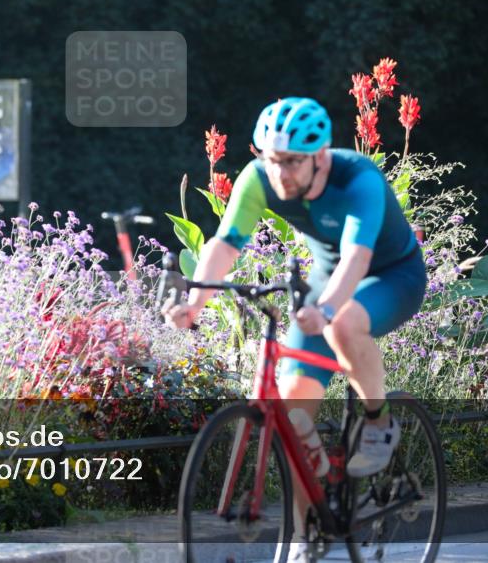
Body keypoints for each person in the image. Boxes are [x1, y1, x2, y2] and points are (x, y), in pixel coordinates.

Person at [162, 97, 426, 562]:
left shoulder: (357, 178)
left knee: (344, 324)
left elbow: (356, 259)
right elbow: (227, 243)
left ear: (319, 156)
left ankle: (379, 422)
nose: (280, 173)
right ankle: (307, 538)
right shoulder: (259, 178)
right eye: (272, 160)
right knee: (290, 415)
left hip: (391, 276)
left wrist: (326, 309)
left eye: (291, 162)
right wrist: (195, 302)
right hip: (326, 280)